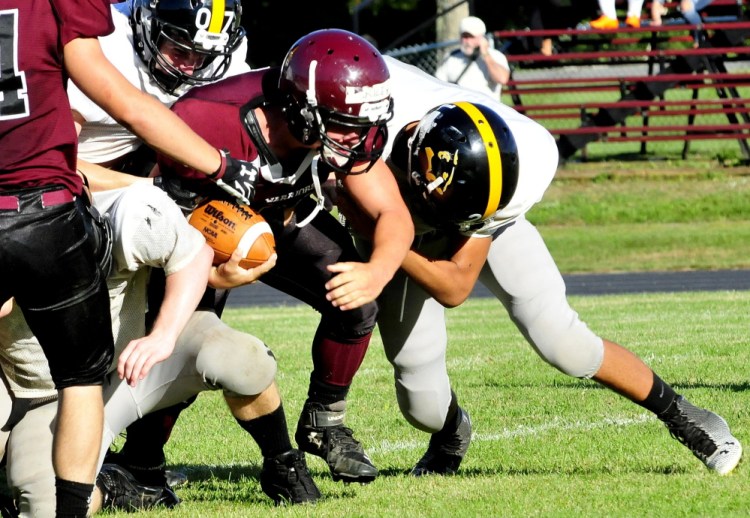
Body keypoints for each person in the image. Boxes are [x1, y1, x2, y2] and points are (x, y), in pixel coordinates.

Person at [334, 58, 743, 478]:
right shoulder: (358, 110)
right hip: (391, 210)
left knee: (563, 340)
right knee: (422, 402)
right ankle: (452, 429)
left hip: (478, 219)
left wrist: (391, 243)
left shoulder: (527, 155)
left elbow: (455, 287)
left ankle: (682, 414)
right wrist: (380, 228)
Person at [0, 1, 254, 515]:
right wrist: (220, 166)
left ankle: (152, 462)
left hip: (124, 329)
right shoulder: (137, 196)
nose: (188, 62)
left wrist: (162, 335)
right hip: (53, 202)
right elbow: (124, 103)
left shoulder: (146, 210)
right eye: (178, 47)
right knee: (80, 382)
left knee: (234, 358)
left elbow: (197, 250)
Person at [145, 28, 414, 485]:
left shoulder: (336, 128)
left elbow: (393, 213)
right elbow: (156, 216)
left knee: (357, 300)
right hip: (194, 232)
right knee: (187, 344)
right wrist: (212, 276)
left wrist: (378, 271)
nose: (357, 138)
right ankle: (141, 462)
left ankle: (324, 423)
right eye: (345, 125)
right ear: (300, 111)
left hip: (277, 218)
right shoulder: (211, 120)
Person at [0, 181, 320, 515]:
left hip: (115, 375)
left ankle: (283, 462)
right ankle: (110, 486)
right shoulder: (13, 227)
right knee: (43, 502)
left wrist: (162, 336)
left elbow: (195, 255)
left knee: (242, 360)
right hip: (25, 384)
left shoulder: (132, 214)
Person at [69, 0, 251, 176]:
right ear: (147, 24)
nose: (190, 68)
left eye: (204, 56)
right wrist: (144, 187)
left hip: (137, 167)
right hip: (75, 175)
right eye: (179, 52)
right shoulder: (107, 44)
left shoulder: (219, 56)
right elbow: (52, 165)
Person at [434, 16, 510, 99]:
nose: (467, 41)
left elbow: (502, 79)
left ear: (482, 38)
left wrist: (485, 54)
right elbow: (438, 84)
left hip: (484, 109)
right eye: (464, 36)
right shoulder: (451, 57)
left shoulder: (496, 56)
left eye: (471, 37)